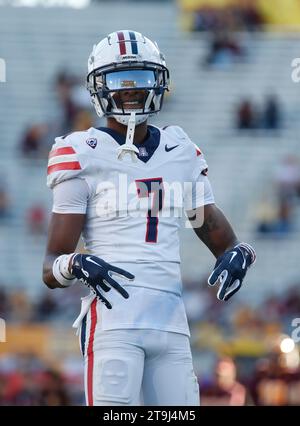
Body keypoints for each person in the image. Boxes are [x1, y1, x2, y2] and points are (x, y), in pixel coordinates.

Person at [42, 30, 256, 406]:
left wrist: (241, 254)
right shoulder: (80, 152)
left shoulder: (179, 149)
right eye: (118, 81)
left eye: (140, 79)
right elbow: (50, 266)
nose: (130, 90)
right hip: (113, 324)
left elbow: (218, 236)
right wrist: (74, 263)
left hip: (172, 323)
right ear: (98, 86)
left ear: (158, 82)